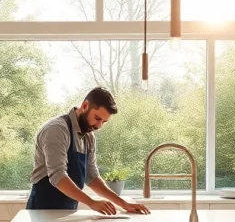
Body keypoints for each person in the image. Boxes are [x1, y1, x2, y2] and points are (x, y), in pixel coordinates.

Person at [26, 87, 150, 215]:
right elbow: (58, 176)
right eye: (97, 118)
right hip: (42, 211)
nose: (99, 126)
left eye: (104, 122)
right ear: (85, 106)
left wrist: (123, 204)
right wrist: (91, 202)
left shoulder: (89, 137)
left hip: (68, 211)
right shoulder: (57, 130)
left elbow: (91, 177)